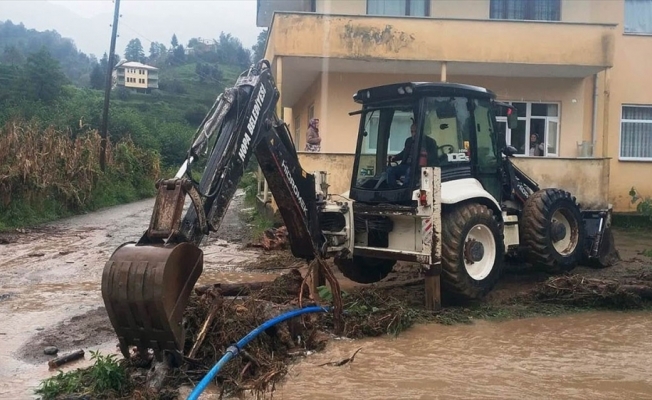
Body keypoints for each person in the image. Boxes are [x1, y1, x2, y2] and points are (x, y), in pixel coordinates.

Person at [386, 123, 437, 187]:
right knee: (390, 171)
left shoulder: (430, 142)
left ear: (421, 131)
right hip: (405, 165)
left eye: (415, 131)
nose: (413, 134)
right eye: (412, 132)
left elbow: (434, 158)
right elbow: (404, 153)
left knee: (410, 171)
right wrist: (395, 157)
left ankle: (405, 190)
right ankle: (393, 189)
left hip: (419, 167)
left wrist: (424, 155)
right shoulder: (408, 141)